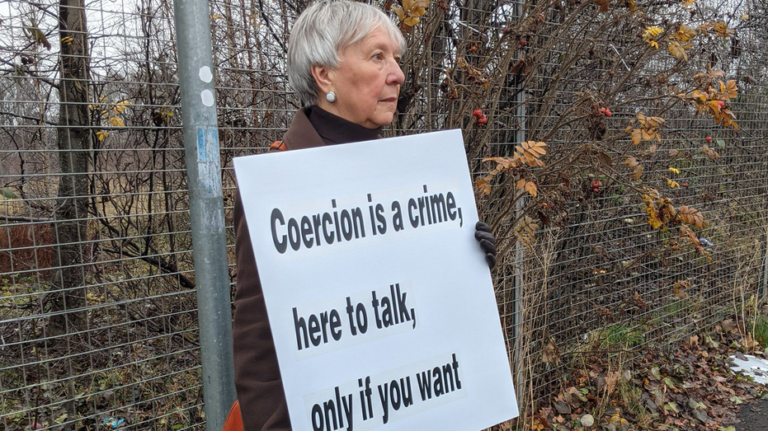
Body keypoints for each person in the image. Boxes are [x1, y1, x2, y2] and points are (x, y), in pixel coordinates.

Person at [230, 1, 497, 430]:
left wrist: (464, 263)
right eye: (378, 56)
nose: (397, 73)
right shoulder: (277, 185)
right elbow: (258, 345)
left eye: (395, 58)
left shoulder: (411, 172)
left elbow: (411, 304)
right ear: (324, 74)